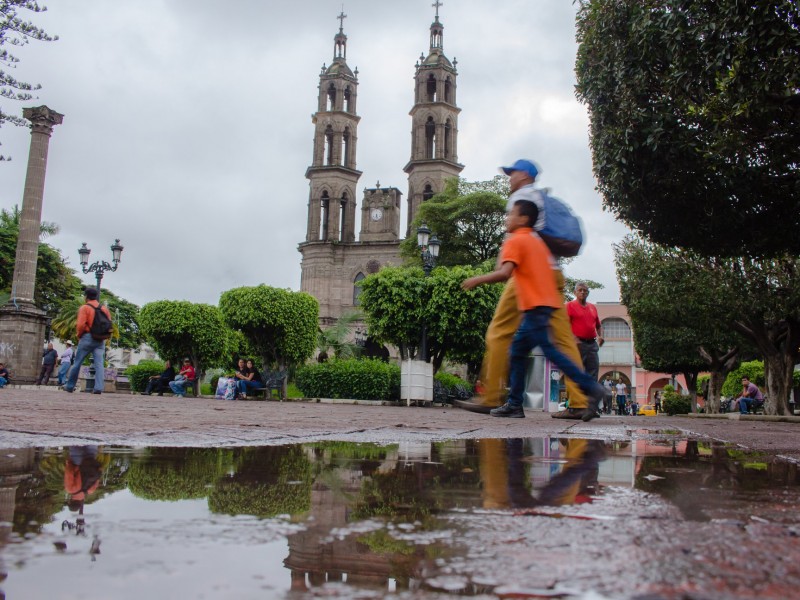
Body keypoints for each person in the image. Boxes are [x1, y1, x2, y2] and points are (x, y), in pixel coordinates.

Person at [458, 159, 595, 420]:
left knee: (499, 332)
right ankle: (581, 401)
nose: (510, 178)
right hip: (551, 274)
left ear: (524, 175)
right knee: (563, 342)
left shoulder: (521, 199)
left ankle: (492, 396)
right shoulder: (540, 198)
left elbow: (509, 259)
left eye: (513, 173)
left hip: (526, 275)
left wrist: (482, 277)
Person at [63, 288, 113, 395]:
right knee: (99, 363)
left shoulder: (85, 308)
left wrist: (79, 335)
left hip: (87, 337)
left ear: (86, 296)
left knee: (77, 362)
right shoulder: (104, 309)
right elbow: (109, 323)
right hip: (100, 339)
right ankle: (98, 387)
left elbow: (81, 325)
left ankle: (70, 386)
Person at [566, 282, 603, 380]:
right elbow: (564, 325)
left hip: (592, 344)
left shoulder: (592, 307)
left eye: (585, 290)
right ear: (575, 292)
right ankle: (577, 395)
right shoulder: (569, 306)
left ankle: (591, 395)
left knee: (593, 371)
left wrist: (600, 336)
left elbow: (598, 325)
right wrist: (573, 338)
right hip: (578, 344)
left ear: (588, 293)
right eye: (580, 290)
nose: (582, 292)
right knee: (577, 372)